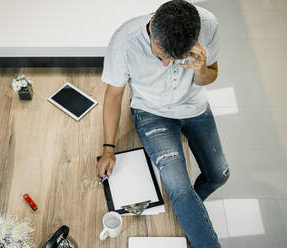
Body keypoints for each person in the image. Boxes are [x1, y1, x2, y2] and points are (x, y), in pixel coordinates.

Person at [96, 0, 229, 247]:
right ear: (153, 25)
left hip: (194, 105)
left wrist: (201, 70)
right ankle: (187, 205)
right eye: (161, 55)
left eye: (174, 57)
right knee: (179, 188)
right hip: (151, 111)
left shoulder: (208, 24)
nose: (166, 63)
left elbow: (211, 75)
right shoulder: (125, 41)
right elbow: (113, 96)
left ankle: (189, 206)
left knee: (220, 175)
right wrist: (108, 149)